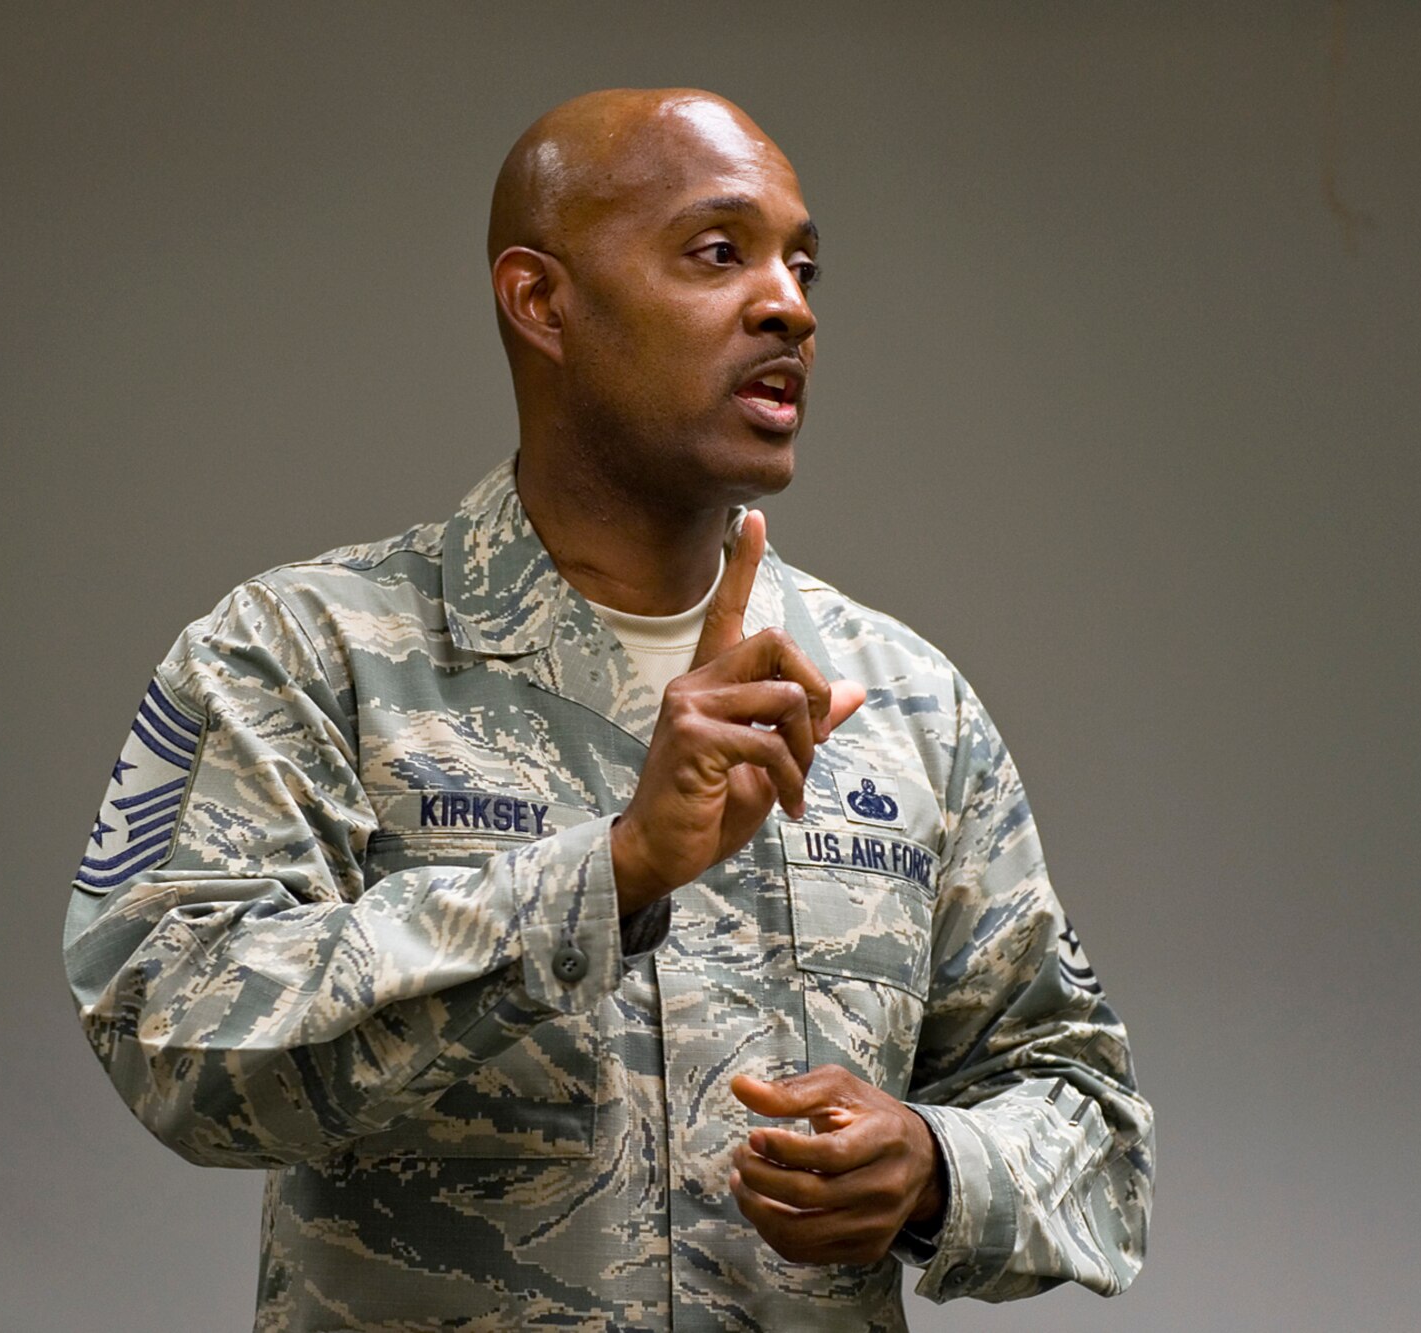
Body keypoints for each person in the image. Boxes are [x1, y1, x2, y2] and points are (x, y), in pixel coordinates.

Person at [62, 87, 1152, 1332]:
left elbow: (1092, 1124)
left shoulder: (905, 701)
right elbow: (173, 1037)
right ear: (541, 301)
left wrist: (934, 1167)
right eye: (716, 252)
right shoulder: (307, 654)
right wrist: (612, 871)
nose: (789, 302)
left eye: (801, 263)